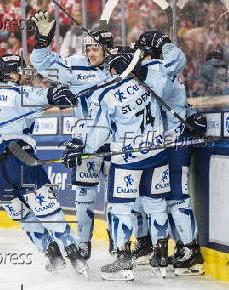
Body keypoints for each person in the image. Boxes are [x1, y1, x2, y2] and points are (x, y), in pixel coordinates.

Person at [63, 46, 172, 281]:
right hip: (157, 153)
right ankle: (161, 257)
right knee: (156, 204)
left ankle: (124, 263)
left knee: (120, 208)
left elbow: (97, 133)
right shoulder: (149, 81)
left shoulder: (107, 94)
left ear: (113, 67)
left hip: (127, 159)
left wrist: (81, 149)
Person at [0, 53, 88, 276]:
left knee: (23, 216)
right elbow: (51, 95)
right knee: (47, 209)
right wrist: (66, 90)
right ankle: (74, 255)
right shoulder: (19, 94)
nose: (24, 76)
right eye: (20, 71)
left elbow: (37, 105)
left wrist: (53, 98)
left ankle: (52, 255)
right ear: (12, 74)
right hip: (20, 160)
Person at [30, 10, 114, 260]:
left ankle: (123, 246)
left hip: (118, 143)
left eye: (95, 48)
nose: (90, 53)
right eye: (88, 48)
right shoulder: (77, 66)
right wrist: (43, 41)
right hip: (85, 143)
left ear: (108, 48)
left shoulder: (123, 66)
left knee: (121, 199)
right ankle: (83, 245)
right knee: (84, 197)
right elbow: (44, 65)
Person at [133, 31, 207, 276]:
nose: (138, 56)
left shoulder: (157, 69)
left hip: (176, 142)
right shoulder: (157, 70)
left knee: (177, 196)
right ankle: (182, 246)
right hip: (164, 144)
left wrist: (163, 43)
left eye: (141, 51)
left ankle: (190, 248)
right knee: (165, 199)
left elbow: (176, 59)